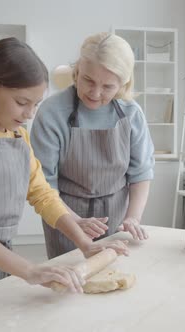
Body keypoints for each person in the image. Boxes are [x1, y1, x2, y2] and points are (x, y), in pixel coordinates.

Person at [0, 37, 128, 310]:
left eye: (35, 104)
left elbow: (43, 194)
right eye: (21, 102)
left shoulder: (19, 137)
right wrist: (30, 270)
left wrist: (84, 244)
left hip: (0, 264)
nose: (29, 113)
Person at [30, 32, 155, 259]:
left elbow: (141, 173)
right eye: (88, 80)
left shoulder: (131, 113)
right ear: (77, 70)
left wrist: (132, 218)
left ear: (122, 84)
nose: (95, 94)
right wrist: (74, 222)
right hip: (65, 217)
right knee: (70, 284)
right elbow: (44, 185)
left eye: (108, 86)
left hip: (117, 218)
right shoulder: (52, 113)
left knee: (115, 279)